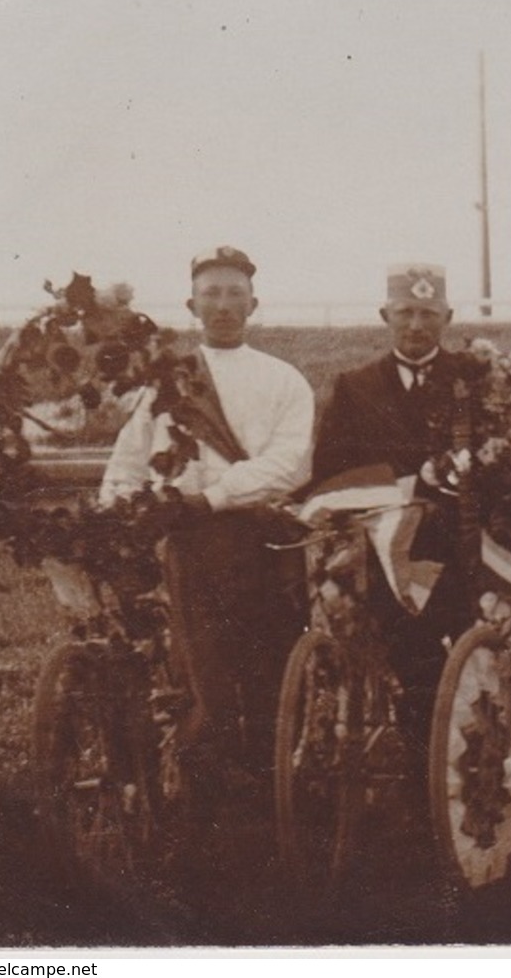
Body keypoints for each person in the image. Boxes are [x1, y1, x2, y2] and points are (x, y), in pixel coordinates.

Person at [100, 245, 314, 789]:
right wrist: (115, 518)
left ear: (254, 304)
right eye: (211, 294)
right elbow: (129, 461)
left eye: (235, 295)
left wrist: (213, 497)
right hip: (191, 543)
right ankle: (204, 780)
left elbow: (289, 463)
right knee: (208, 678)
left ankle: (272, 788)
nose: (223, 305)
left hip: (266, 542)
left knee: (274, 676)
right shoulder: (163, 384)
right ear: (191, 305)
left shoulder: (284, 380)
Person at [309, 262, 467, 747]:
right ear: (385, 315)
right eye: (405, 312)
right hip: (381, 555)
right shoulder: (353, 387)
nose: (416, 325)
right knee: (410, 658)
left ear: (448, 316)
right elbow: (331, 477)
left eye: (428, 312)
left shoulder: (474, 379)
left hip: (463, 550)